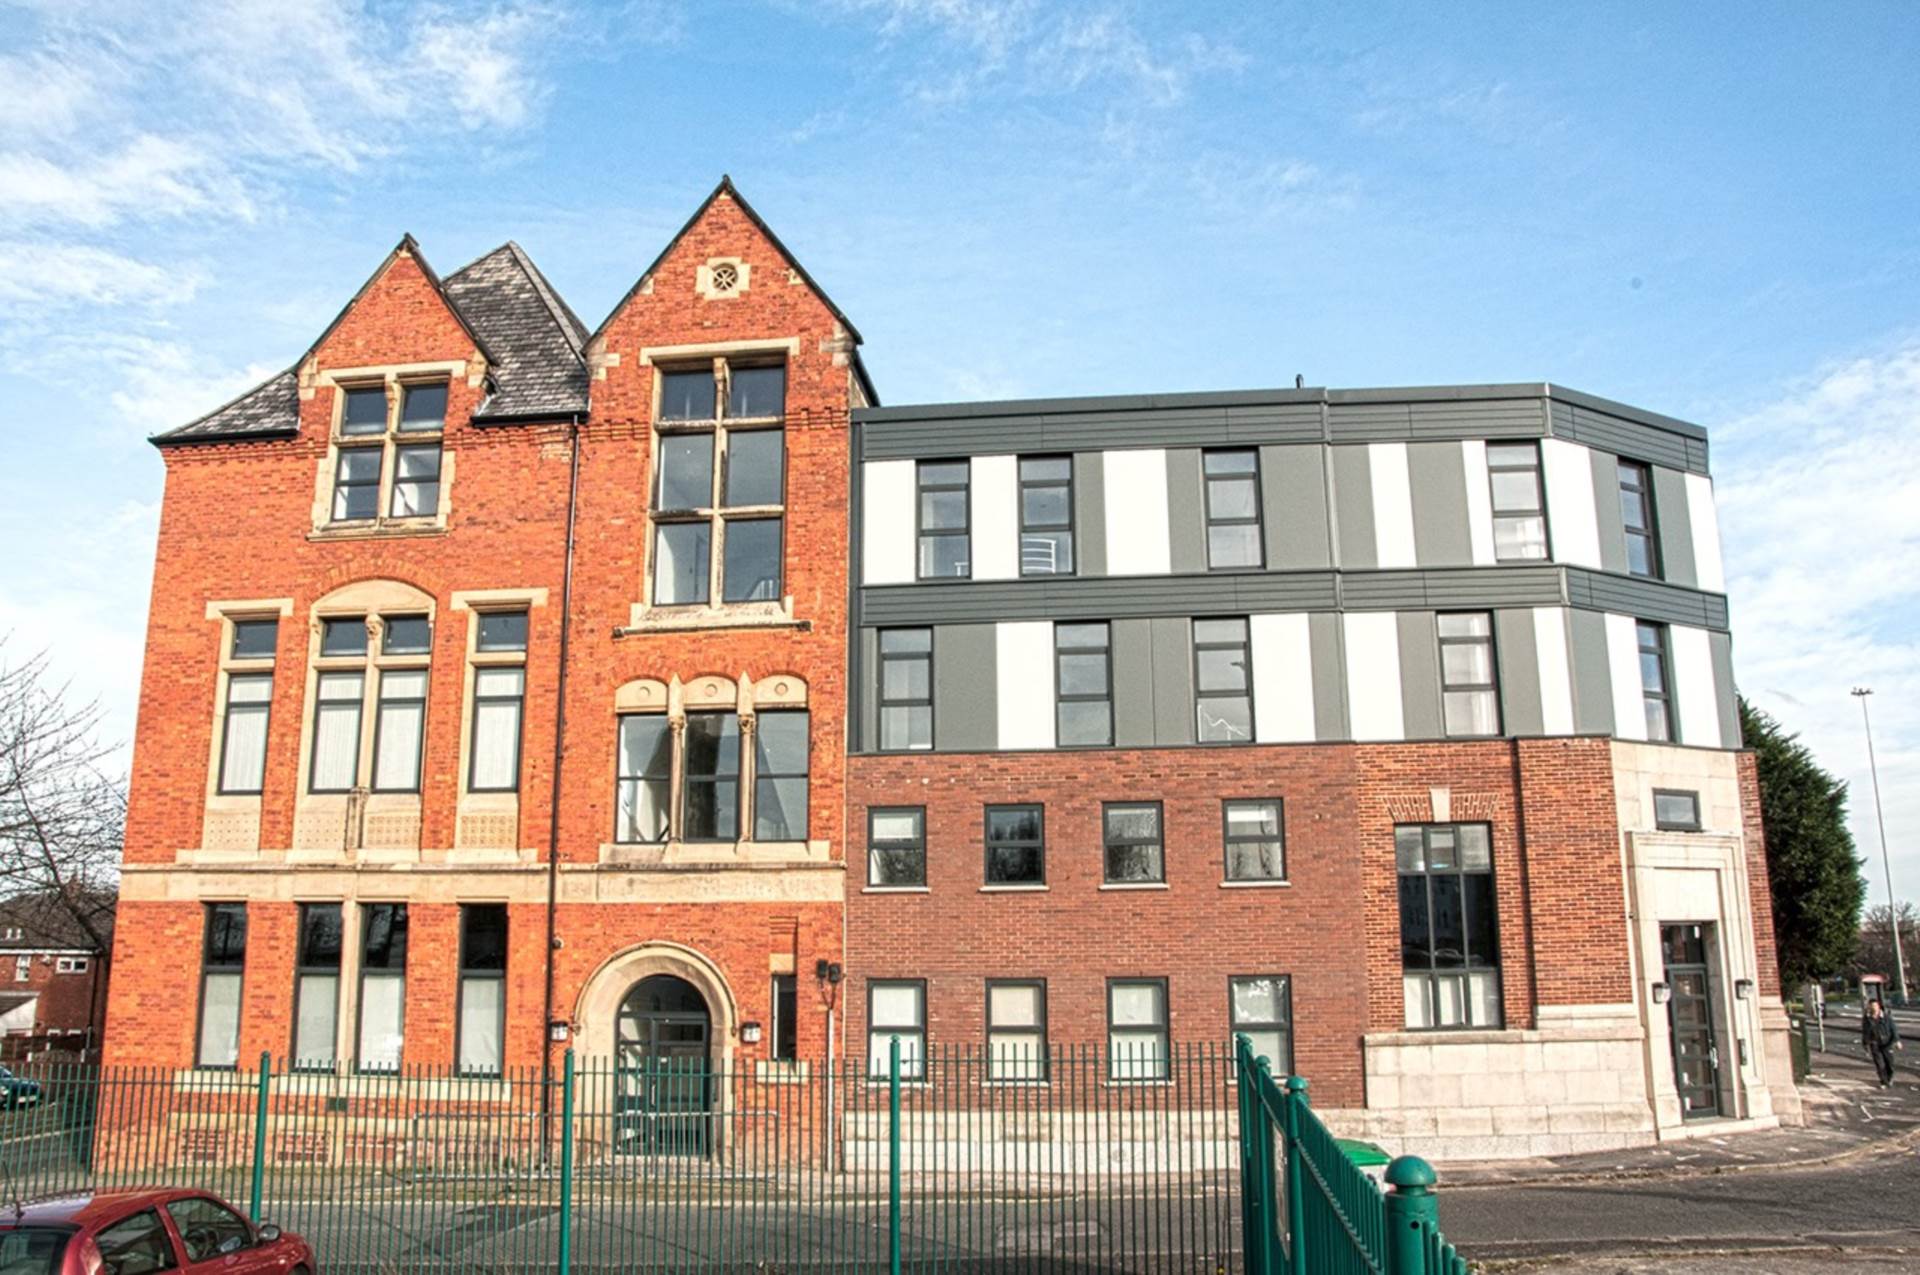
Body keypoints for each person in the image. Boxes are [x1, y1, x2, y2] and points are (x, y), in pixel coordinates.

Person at [1864, 999, 1902, 1086]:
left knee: (1889, 1063)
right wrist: (1865, 1043)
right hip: (1875, 1043)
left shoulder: (1886, 1017)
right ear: (1869, 1007)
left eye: (1875, 1006)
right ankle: (1883, 1081)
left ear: (1878, 1006)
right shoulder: (1867, 1018)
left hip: (1887, 1042)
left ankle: (1889, 1077)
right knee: (1879, 1064)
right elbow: (1865, 1032)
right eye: (1871, 1006)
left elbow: (1893, 1029)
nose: (1873, 1008)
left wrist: (1897, 1041)